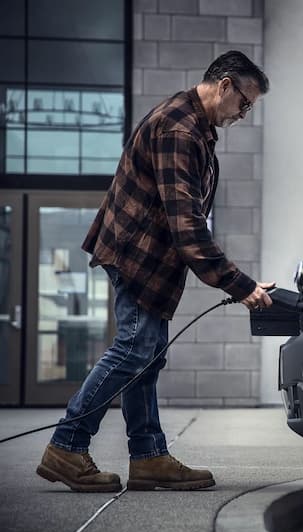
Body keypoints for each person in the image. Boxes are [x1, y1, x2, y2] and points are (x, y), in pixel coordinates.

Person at [35, 51, 274, 492]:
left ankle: (148, 458)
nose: (244, 114)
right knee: (134, 349)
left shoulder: (193, 126)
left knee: (146, 356)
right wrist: (240, 285)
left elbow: (184, 222)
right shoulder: (180, 130)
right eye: (245, 103)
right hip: (137, 256)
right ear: (224, 85)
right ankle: (67, 445)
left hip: (146, 258)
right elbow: (187, 225)